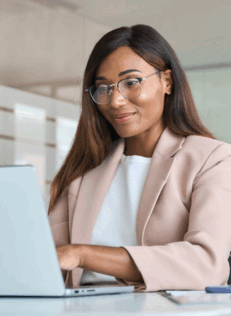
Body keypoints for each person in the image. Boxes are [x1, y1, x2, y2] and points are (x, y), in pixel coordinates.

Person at [47, 24, 231, 292]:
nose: (116, 101)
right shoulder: (84, 171)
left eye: (131, 83)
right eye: (103, 88)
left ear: (167, 82)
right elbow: (47, 257)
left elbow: (206, 264)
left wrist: (84, 254)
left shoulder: (210, 159)